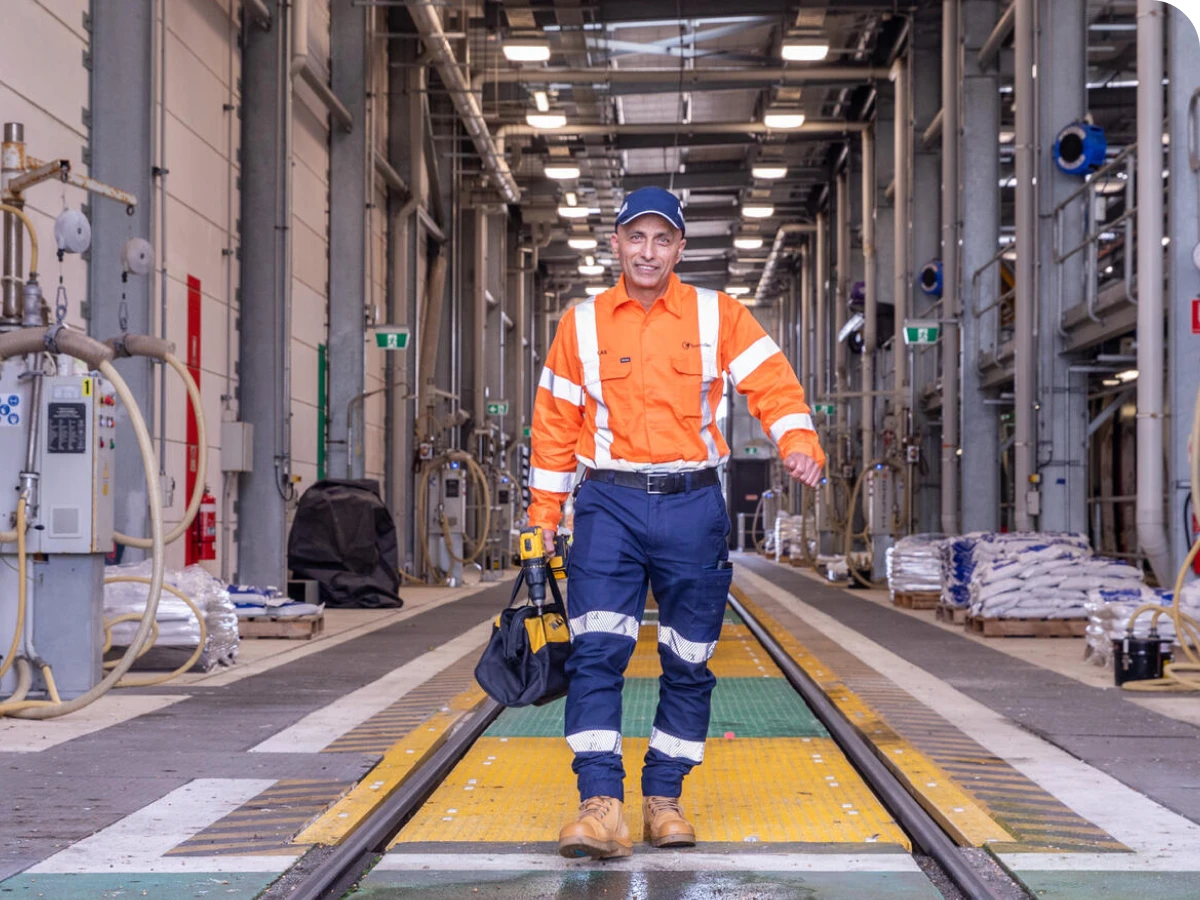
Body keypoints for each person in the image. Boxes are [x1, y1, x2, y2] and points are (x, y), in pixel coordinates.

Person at [527, 186, 825, 860]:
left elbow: (772, 381)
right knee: (598, 652)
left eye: (663, 239)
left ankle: (664, 798)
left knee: (687, 659)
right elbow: (554, 426)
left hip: (693, 504)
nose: (649, 251)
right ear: (617, 245)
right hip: (608, 504)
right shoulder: (580, 325)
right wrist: (544, 513)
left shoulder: (719, 316)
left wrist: (798, 442)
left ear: (680, 249)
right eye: (638, 237)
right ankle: (600, 804)